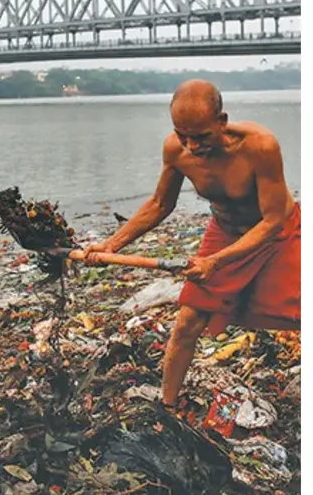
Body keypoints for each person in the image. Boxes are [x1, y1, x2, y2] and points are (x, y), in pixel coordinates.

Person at [83, 79, 300, 411]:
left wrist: (215, 261)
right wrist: (111, 245)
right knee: (188, 321)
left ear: (222, 121)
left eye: (201, 136)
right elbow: (159, 204)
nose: (192, 145)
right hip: (225, 231)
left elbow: (271, 220)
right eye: (183, 135)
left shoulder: (260, 146)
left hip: (278, 234)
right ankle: (167, 406)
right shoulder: (176, 149)